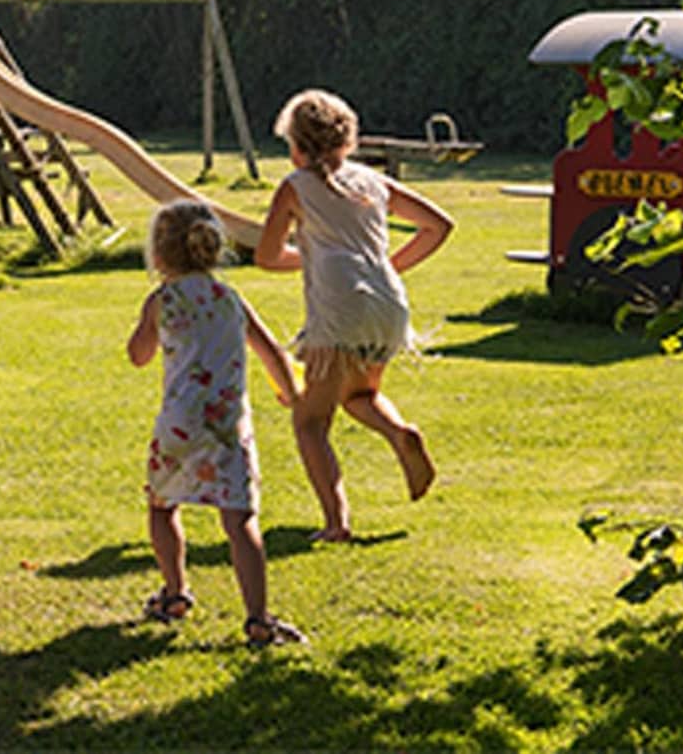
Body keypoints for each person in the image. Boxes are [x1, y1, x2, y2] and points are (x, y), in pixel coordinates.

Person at [253, 88, 455, 543]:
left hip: (340, 308)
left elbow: (266, 257)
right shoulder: (372, 181)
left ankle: (336, 522)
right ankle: (400, 432)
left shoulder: (295, 187)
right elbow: (438, 225)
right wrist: (387, 268)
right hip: (387, 303)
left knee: (310, 422)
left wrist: (310, 255)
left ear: (298, 147)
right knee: (358, 395)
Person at [129, 198, 306, 647]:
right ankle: (258, 618)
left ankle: (174, 592)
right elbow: (271, 351)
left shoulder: (162, 300)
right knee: (240, 519)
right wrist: (288, 391)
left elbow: (138, 355)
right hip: (228, 426)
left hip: (179, 425)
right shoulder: (230, 299)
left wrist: (147, 326)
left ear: (159, 254)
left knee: (162, 506)